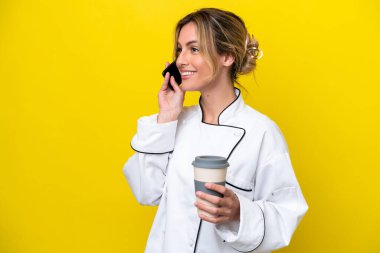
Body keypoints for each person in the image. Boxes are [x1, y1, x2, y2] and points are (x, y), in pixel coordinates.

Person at [123, 7, 308, 253]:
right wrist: (166, 116)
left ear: (227, 56)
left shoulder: (261, 132)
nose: (180, 60)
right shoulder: (173, 123)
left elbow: (286, 212)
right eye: (180, 49)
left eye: (194, 49)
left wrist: (239, 212)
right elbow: (147, 192)